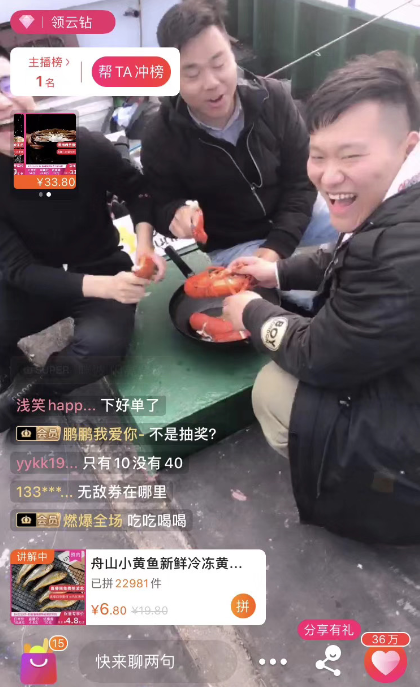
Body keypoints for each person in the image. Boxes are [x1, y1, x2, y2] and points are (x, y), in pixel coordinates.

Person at [223, 51, 420, 545]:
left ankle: (361, 491)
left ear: (408, 147)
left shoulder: (400, 250)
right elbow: (347, 248)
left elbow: (320, 356)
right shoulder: (399, 200)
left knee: (272, 388)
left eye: (351, 156)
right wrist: (276, 270)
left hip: (407, 437)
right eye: (319, 156)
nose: (329, 176)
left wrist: (250, 310)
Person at [0, 46, 165, 432]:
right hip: (32, 283)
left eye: (7, 83)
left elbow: (138, 190)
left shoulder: (69, 144)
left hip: (100, 265)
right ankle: (7, 358)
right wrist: (106, 287)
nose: (3, 103)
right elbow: (18, 270)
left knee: (101, 349)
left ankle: (34, 395)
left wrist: (144, 244)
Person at [139, 0, 337, 266]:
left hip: (299, 214)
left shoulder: (274, 98)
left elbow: (302, 181)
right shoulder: (160, 137)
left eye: (219, 64)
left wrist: (277, 246)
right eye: (192, 74)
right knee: (279, 289)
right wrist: (175, 214)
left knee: (366, 220)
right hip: (234, 243)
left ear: (233, 54)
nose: (212, 83)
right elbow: (161, 203)